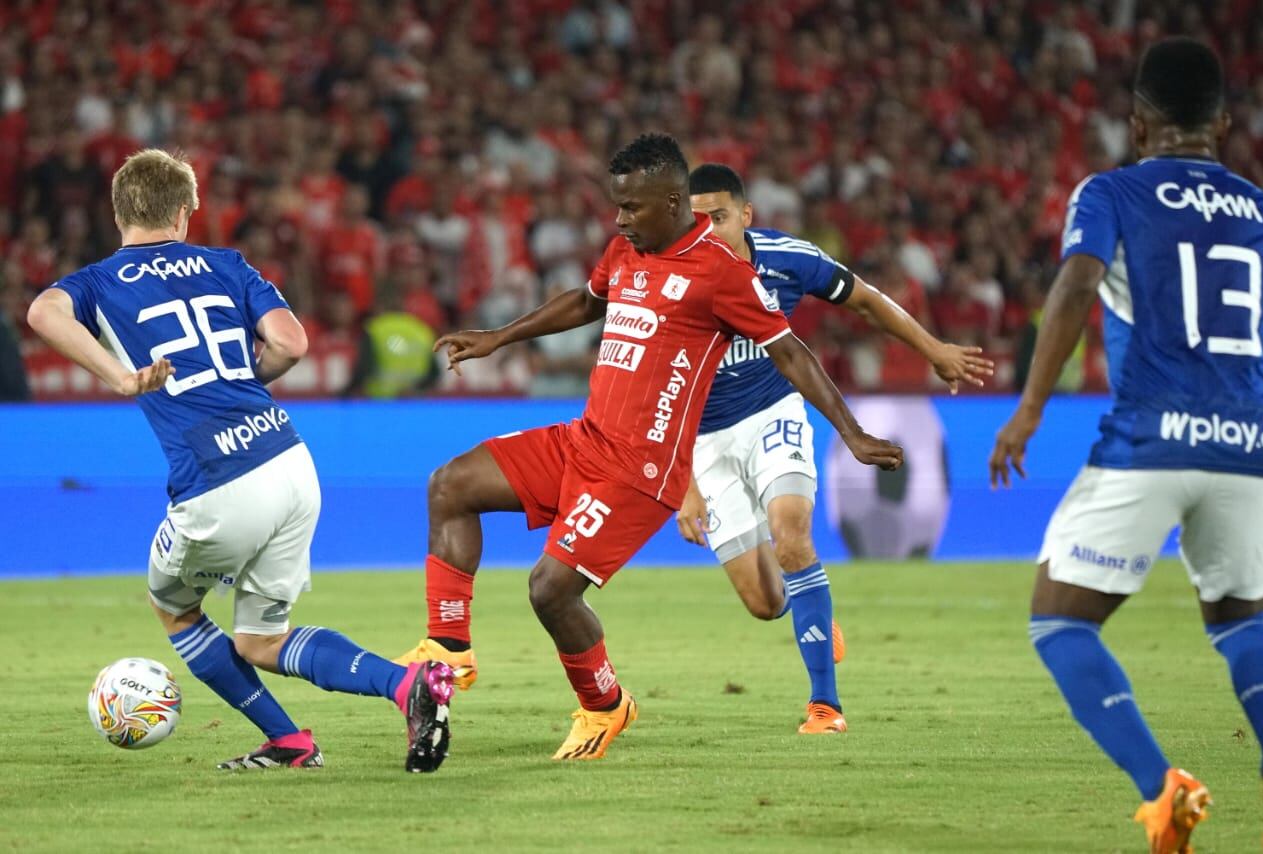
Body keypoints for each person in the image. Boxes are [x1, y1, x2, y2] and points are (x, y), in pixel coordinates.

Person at [395, 133, 904, 760]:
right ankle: (450, 651)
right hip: (584, 440)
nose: (620, 220)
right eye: (617, 207)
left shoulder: (721, 273)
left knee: (550, 589)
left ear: (673, 200)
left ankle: (604, 707)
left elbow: (790, 352)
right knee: (449, 485)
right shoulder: (624, 251)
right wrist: (501, 336)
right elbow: (587, 300)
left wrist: (850, 434)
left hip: (639, 472)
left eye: (632, 207)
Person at [25, 149, 454, 773]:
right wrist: (236, 384)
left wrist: (121, 377)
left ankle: (290, 740)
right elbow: (291, 343)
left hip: (216, 481)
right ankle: (404, 684)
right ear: (182, 211)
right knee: (261, 639)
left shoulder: (97, 280)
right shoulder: (227, 264)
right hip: (289, 461)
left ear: (120, 214)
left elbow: (42, 312)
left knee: (173, 607)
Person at [989, 39, 1263, 852]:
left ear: (1139, 124)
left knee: (1061, 626)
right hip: (1251, 442)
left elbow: (1078, 282)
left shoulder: (1112, 191)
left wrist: (1029, 409)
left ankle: (1163, 790)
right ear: (1223, 123)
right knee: (1240, 622)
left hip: (1152, 435)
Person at [676, 163, 993, 733]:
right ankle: (809, 607)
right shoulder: (671, 282)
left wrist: (933, 349)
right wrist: (687, 486)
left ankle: (825, 706)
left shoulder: (788, 258)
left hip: (774, 413)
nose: (707, 230)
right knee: (764, 602)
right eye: (695, 220)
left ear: (745, 216)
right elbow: (656, 394)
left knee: (791, 533)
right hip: (703, 443)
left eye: (718, 217)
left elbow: (867, 301)